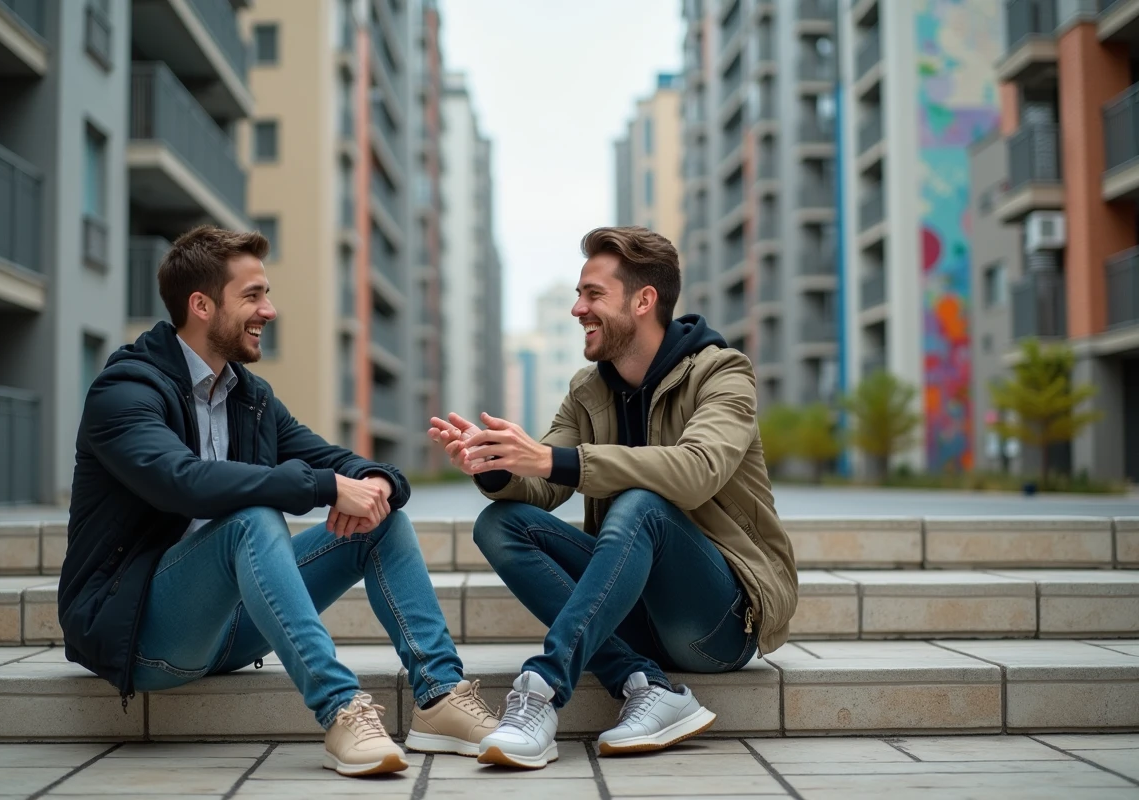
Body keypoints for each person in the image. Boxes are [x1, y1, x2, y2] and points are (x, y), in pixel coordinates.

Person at [59, 225, 498, 778]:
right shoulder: (125, 390)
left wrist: (379, 485)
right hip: (142, 630)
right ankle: (341, 709)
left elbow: (339, 461)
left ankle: (439, 697)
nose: (269, 309)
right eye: (253, 295)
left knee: (380, 522)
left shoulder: (251, 398)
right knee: (252, 518)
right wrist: (321, 488)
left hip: (231, 628)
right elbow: (182, 481)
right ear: (200, 305)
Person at [429, 226, 798, 769]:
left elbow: (698, 470)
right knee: (500, 522)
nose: (579, 308)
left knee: (640, 504)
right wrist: (493, 465)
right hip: (632, 612)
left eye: (593, 294)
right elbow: (543, 484)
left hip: (719, 621)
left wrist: (551, 459)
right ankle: (645, 684)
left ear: (644, 300)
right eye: (579, 294)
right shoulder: (588, 389)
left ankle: (544, 690)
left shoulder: (722, 373)